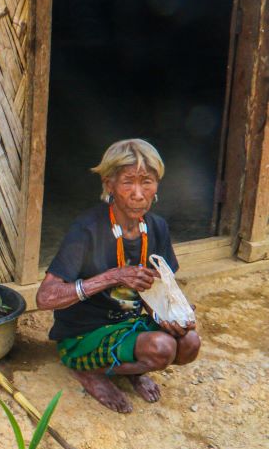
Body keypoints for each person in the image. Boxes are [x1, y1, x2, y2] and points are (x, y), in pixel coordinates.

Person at [36, 139, 201, 413]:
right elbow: (45, 297)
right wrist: (112, 276)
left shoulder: (156, 227)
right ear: (109, 184)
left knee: (189, 343)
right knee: (160, 349)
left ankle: (131, 369)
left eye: (146, 182)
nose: (138, 193)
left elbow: (159, 288)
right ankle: (89, 370)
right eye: (128, 182)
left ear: (157, 185)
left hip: (132, 324)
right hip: (84, 333)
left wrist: (173, 314)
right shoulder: (88, 229)